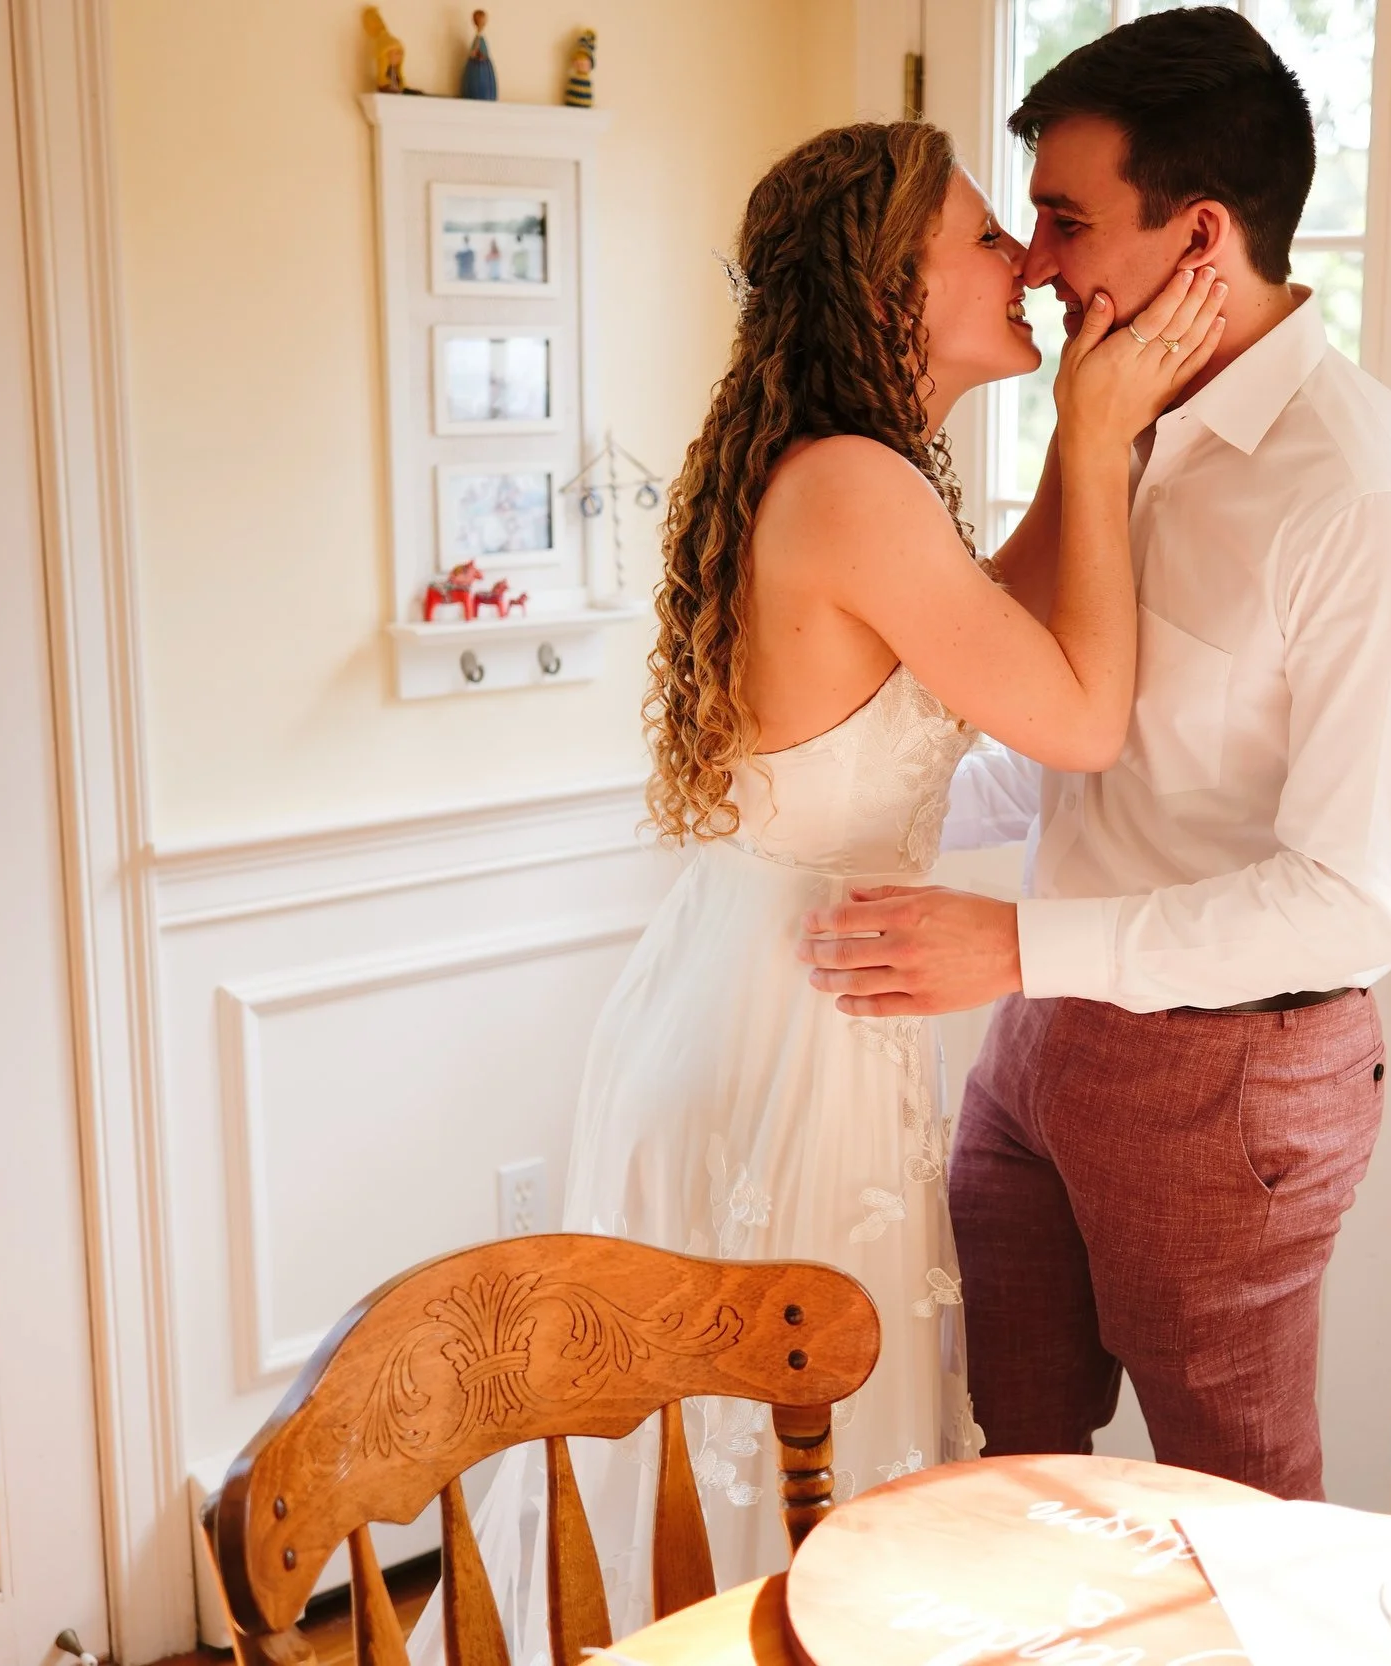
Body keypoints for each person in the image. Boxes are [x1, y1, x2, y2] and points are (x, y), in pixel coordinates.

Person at [404, 120, 1224, 1661]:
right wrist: (1101, 441)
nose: (1025, 264)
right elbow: (1084, 718)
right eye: (987, 236)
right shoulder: (855, 483)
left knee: (768, 1453)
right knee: (778, 1472)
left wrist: (1076, 442)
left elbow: (1001, 617)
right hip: (787, 1028)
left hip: (762, 987)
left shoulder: (848, 476)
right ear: (890, 281)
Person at [796, 8, 1391, 1501]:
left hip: (1229, 1080)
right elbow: (1068, 745)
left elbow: (1356, 899)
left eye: (1062, 221)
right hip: (1036, 1051)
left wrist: (1016, 941)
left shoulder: (1374, 505)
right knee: (1004, 1478)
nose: (1037, 266)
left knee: (1234, 1510)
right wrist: (858, 819)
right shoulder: (1109, 429)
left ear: (1198, 238)